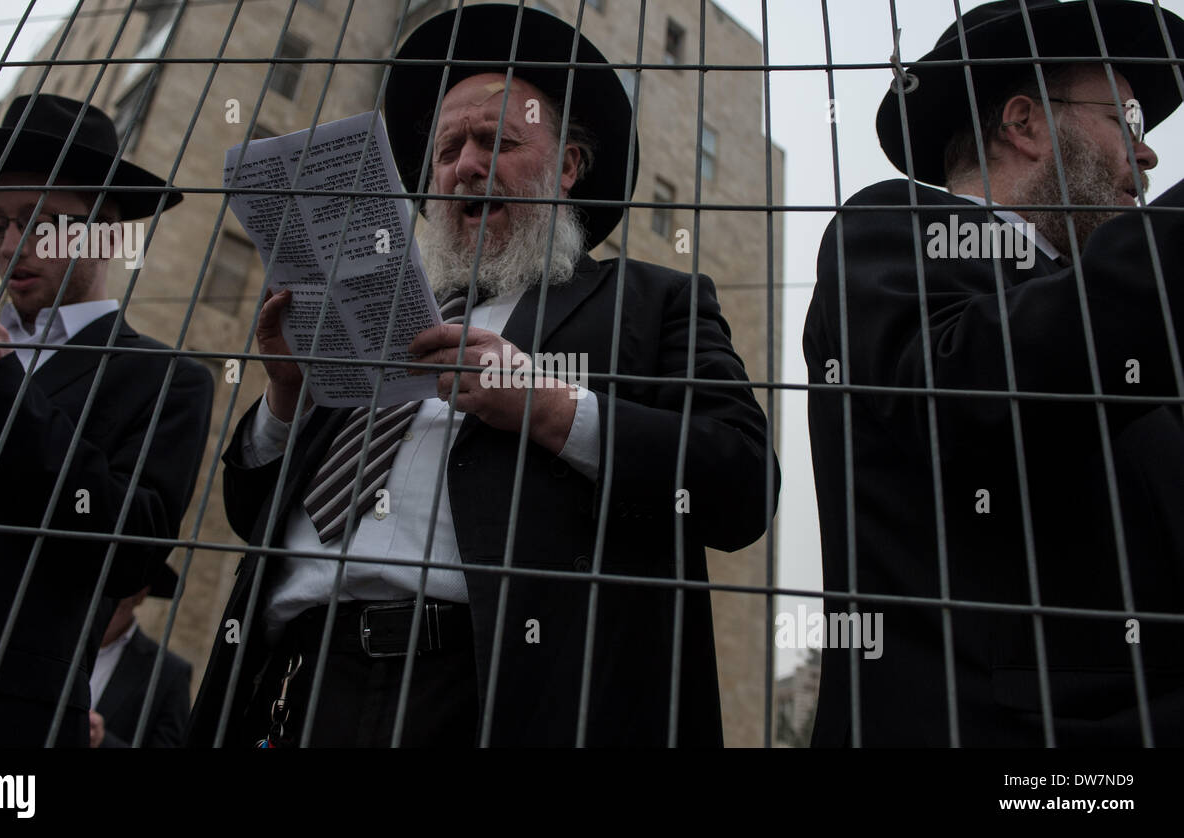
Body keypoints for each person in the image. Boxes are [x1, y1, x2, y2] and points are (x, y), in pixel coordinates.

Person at [190, 4, 779, 747]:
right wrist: (285, 399)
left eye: (496, 141)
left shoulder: (652, 302)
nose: (464, 165)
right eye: (446, 150)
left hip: (496, 691)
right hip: (292, 686)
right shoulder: (379, 309)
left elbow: (744, 483)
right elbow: (251, 518)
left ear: (567, 167)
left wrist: (551, 410)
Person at [804, 0, 1184, 746]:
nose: (1148, 158)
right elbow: (971, 396)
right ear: (1026, 123)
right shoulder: (895, 231)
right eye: (1127, 124)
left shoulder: (1140, 322)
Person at [0, 94, 214, 747]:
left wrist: (3, 392)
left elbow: (132, 548)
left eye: (37, 222)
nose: (9, 246)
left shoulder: (164, 379)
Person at [90, 563, 191, 748]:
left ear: (140, 594)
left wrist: (102, 741)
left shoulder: (169, 673)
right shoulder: (56, 643)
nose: (101, 610)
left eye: (114, 603)